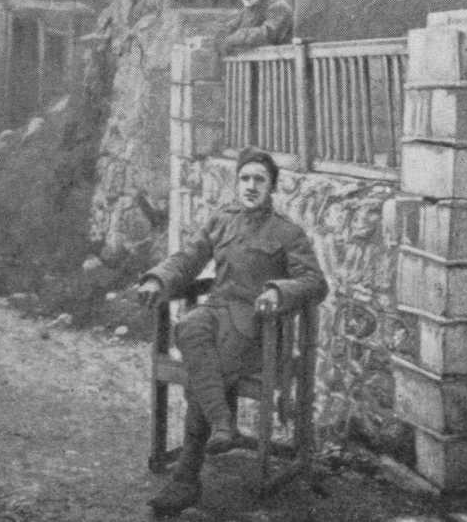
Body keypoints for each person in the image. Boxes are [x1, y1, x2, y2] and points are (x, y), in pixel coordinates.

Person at [136, 147, 327, 516]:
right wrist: (158, 280)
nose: (251, 186)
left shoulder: (288, 233)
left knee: (208, 365)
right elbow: (188, 259)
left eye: (260, 180)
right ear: (237, 183)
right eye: (245, 178)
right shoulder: (221, 220)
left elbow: (315, 283)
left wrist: (278, 291)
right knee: (188, 325)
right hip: (217, 311)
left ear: (272, 187)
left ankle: (186, 480)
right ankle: (223, 422)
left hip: (256, 328)